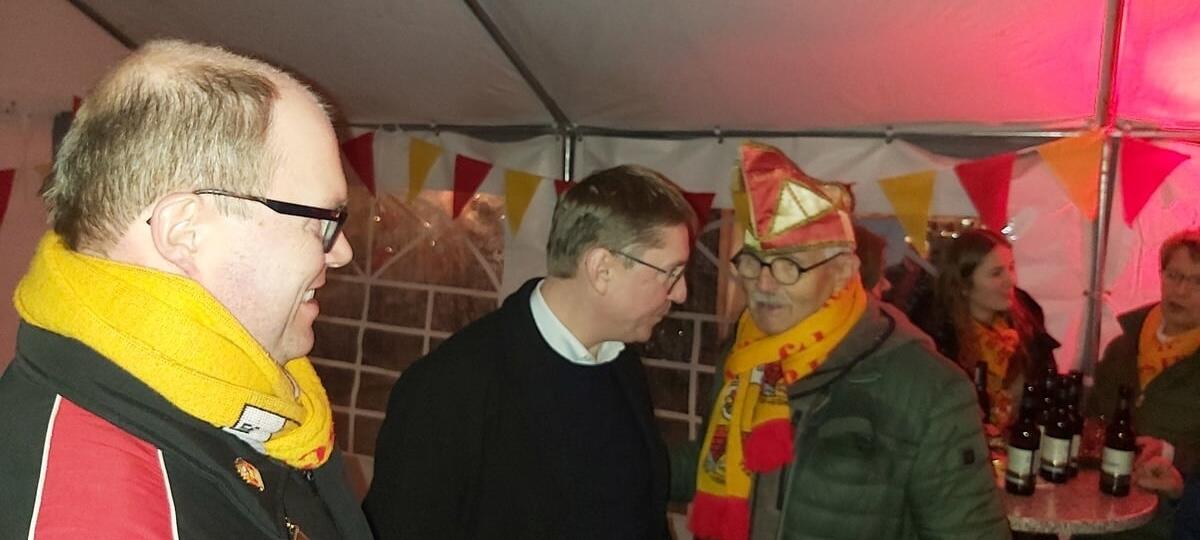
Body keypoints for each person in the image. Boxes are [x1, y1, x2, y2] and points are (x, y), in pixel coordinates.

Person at [0, 40, 370, 539]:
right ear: (185, 231)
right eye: (321, 220)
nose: (341, 252)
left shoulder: (236, 402)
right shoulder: (99, 513)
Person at [671, 141, 1009, 540]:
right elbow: (716, 455)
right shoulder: (743, 354)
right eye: (752, 262)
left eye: (788, 266)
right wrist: (628, 462)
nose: (763, 284)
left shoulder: (929, 390)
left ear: (843, 271)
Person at [362, 165, 697, 539]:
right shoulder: (449, 389)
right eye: (671, 273)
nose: (681, 293)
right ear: (602, 269)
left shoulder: (621, 364)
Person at [1085, 229, 1200, 539]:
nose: (1181, 290)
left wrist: (1171, 453)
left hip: (1165, 524)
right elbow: (1092, 415)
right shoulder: (1123, 344)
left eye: (1197, 282)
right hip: (1097, 513)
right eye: (1174, 275)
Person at [911, 228, 1060, 430]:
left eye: (1011, 267)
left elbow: (1049, 399)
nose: (1011, 280)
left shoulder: (1028, 323)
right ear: (964, 286)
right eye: (996, 273)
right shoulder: (938, 337)